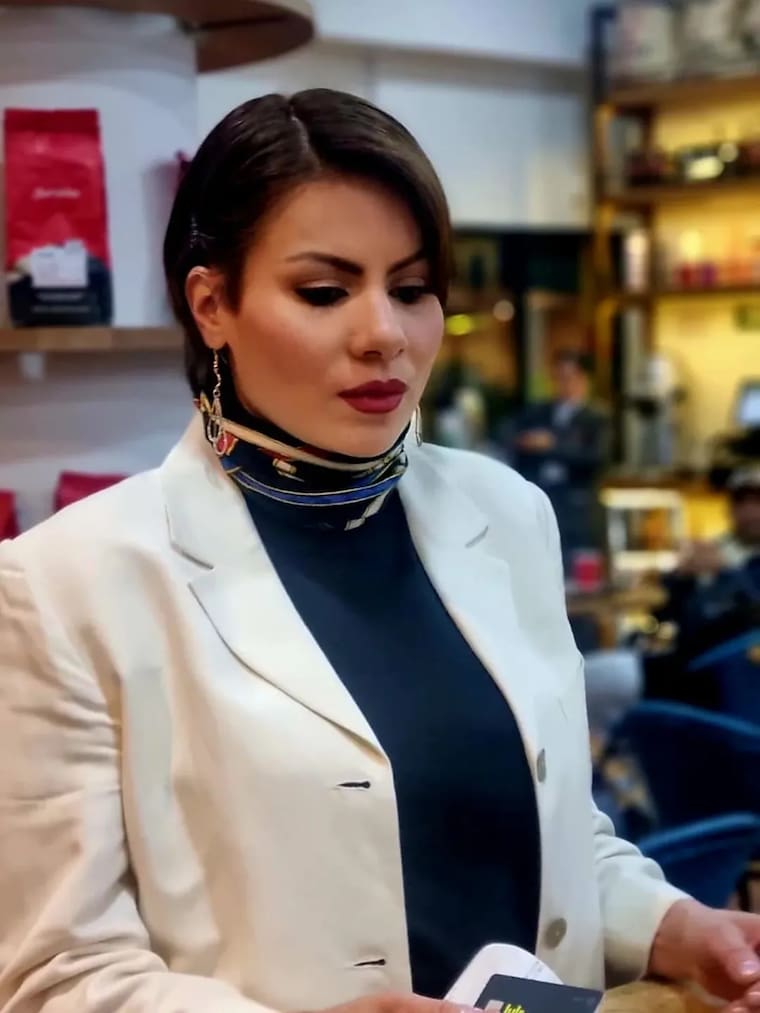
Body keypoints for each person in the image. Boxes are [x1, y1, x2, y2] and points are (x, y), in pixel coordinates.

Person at [1, 89, 760, 1013]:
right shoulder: (67, 585)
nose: (384, 336)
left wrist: (678, 924)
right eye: (324, 292)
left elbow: (557, 840)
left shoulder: (506, 514)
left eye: (411, 289)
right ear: (212, 304)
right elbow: (59, 974)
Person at [511, 351, 609, 570]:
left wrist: (552, 446)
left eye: (568, 377)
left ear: (584, 379)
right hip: (540, 499)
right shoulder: (538, 412)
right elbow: (514, 440)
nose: (563, 384)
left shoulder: (597, 417)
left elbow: (596, 457)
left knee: (576, 566)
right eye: (558, 378)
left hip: (577, 506)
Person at [658, 465, 760, 667]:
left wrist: (726, 571)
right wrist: (680, 578)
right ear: (730, 508)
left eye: (757, 501)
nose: (750, 511)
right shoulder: (712, 548)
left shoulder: (725, 560)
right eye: (741, 502)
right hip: (701, 662)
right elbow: (670, 614)